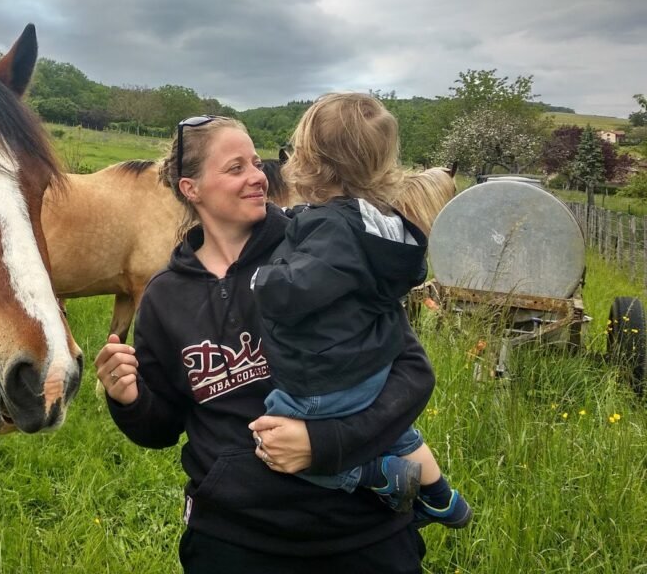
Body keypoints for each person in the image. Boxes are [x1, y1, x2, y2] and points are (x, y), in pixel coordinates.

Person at [95, 115, 435, 574]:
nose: (258, 175)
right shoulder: (166, 296)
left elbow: (413, 373)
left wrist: (325, 443)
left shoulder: (318, 249)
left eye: (256, 162)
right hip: (234, 537)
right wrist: (129, 398)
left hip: (360, 530)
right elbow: (161, 429)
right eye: (236, 168)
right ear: (190, 188)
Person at [252, 93, 472, 528]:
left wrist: (263, 280)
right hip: (376, 364)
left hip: (326, 377)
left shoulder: (332, 227)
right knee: (401, 433)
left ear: (310, 160)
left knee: (272, 440)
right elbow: (343, 259)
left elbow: (299, 286)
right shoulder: (381, 222)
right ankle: (442, 498)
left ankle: (376, 475)